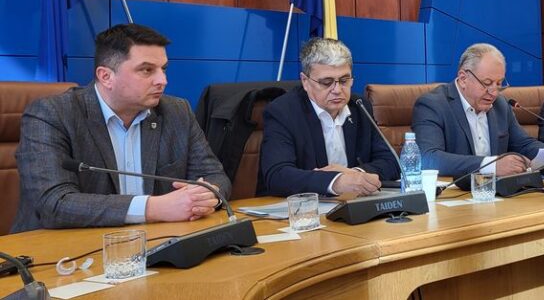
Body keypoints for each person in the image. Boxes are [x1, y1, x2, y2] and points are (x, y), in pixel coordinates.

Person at [13, 24, 230, 233]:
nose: (162, 80)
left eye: (163, 69)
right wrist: (155, 208)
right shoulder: (52, 114)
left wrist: (207, 196)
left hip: (156, 242)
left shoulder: (176, 111)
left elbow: (215, 176)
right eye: (147, 70)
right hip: (64, 249)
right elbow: (54, 204)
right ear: (106, 76)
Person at [259, 38, 400, 197]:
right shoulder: (283, 112)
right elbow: (277, 175)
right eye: (327, 82)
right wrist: (336, 182)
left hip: (352, 204)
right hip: (300, 208)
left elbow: (392, 162)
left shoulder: (359, 107)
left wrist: (354, 175)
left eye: (344, 81)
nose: (337, 90)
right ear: (305, 81)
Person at [412, 43, 544, 178]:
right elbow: (428, 158)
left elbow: (524, 145)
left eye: (499, 83)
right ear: (463, 79)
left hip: (497, 190)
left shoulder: (500, 104)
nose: (494, 92)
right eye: (487, 83)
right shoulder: (433, 105)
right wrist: (491, 166)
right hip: (455, 190)